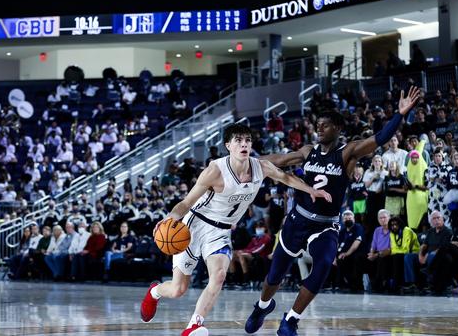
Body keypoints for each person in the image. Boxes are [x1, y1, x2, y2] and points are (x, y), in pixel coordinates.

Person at [245, 87, 419, 335]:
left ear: (337, 128)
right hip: (298, 219)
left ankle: (291, 319)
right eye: (318, 125)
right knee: (275, 274)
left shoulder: (348, 152)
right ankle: (262, 306)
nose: (319, 128)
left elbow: (380, 138)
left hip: (326, 224)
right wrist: (249, 161)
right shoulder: (308, 151)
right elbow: (281, 160)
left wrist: (400, 115)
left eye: (324, 125)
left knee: (324, 264)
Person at [139, 124, 332, 336]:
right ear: (228, 145)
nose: (244, 144)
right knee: (178, 289)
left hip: (220, 232)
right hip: (194, 225)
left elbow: (286, 178)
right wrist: (169, 219)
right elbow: (185, 203)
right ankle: (155, 291)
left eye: (247, 140)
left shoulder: (261, 167)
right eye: (239, 140)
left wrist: (312, 190)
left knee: (219, 275)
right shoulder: (215, 171)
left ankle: (194, 325)